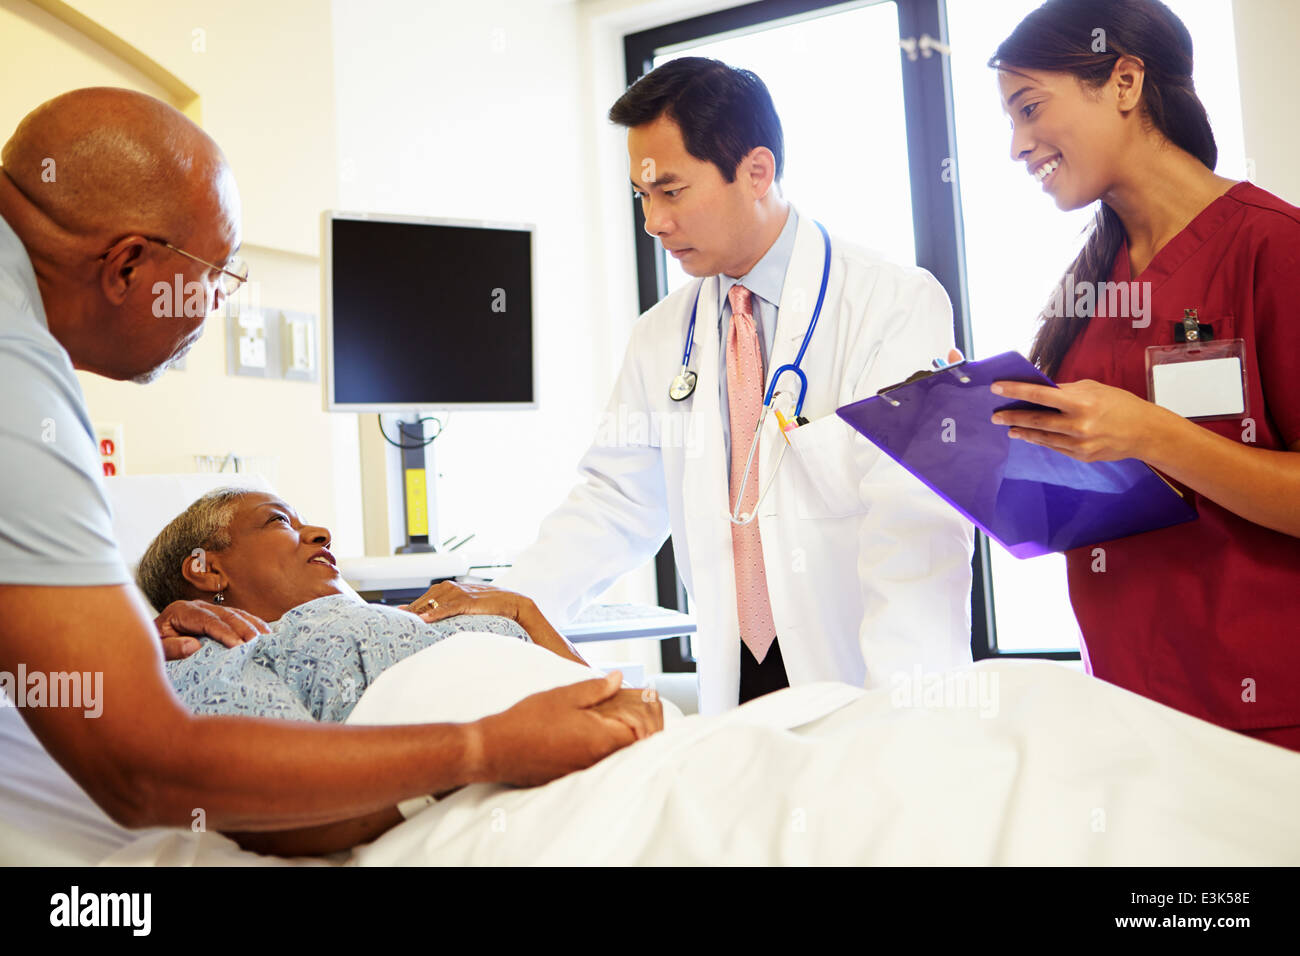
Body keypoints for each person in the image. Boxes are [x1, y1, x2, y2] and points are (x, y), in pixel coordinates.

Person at [0, 87, 661, 848]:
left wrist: (110, 642)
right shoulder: (19, 376)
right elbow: (147, 770)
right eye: (216, 275)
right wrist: (484, 748)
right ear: (125, 266)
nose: (215, 306)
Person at [496, 58, 974, 712]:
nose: (653, 222)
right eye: (642, 196)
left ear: (756, 171)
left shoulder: (890, 304)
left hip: (864, 682)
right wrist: (505, 611)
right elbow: (614, 502)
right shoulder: (662, 335)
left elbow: (914, 529)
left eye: (671, 191)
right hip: (735, 686)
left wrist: (900, 715)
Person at [984, 0, 1300, 749]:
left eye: (1029, 108)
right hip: (1126, 709)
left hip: (1261, 714)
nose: (1017, 145)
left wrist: (1153, 434)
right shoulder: (1088, 288)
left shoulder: (1273, 249)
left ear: (1124, 81)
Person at [134, 488, 656, 855]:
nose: (319, 533)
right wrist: (489, 756)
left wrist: (525, 612)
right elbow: (270, 804)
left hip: (638, 751)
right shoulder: (207, 652)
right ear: (206, 568)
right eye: (279, 521)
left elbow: (602, 695)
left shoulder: (427, 614)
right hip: (542, 805)